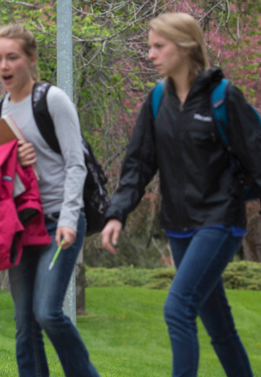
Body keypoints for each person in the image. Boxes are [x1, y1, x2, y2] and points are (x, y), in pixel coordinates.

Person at [101, 13, 259, 377]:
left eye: (159, 46)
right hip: (178, 225)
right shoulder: (157, 100)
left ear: (185, 47)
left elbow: (257, 157)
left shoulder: (223, 97)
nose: (150, 55)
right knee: (220, 327)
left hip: (218, 220)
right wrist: (116, 214)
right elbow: (139, 164)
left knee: (178, 308)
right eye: (150, 46)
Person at [0, 24, 100, 377]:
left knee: (47, 312)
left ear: (31, 60)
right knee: (24, 324)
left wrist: (68, 218)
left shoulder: (52, 100)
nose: (4, 66)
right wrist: (13, 166)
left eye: (12, 58)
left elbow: (76, 163)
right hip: (21, 225)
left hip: (58, 222)